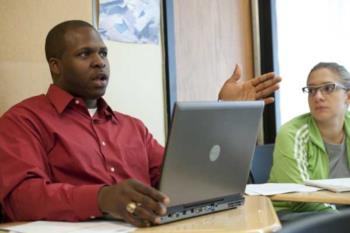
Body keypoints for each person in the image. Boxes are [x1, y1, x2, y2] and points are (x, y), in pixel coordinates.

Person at [0, 20, 281, 227]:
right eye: (85, 54)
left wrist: (225, 116)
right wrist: (102, 198)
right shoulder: (23, 121)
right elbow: (21, 198)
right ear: (56, 66)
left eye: (104, 53)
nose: (99, 62)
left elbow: (185, 178)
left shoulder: (132, 127)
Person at [269, 62, 350, 222]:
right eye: (311, 90)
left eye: (328, 88)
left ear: (348, 96)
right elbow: (301, 198)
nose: (318, 96)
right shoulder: (292, 133)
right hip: (295, 215)